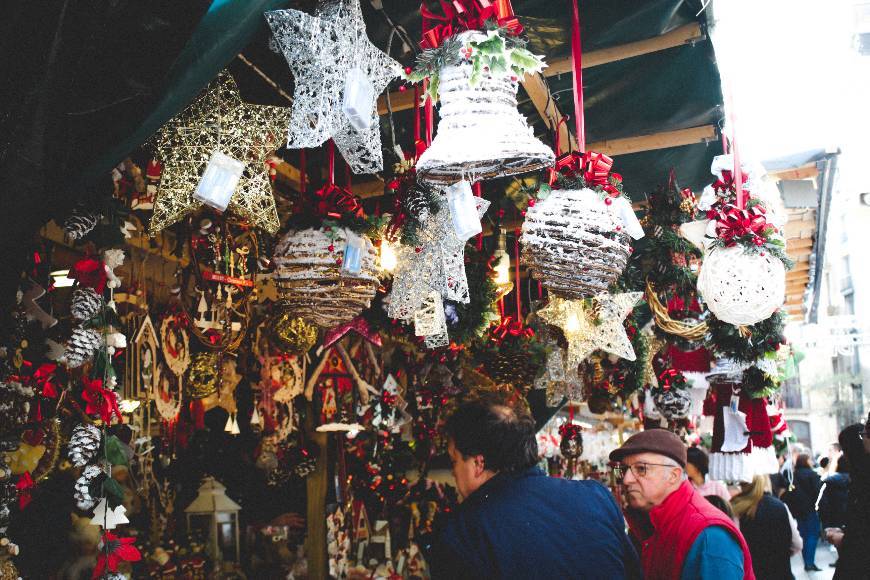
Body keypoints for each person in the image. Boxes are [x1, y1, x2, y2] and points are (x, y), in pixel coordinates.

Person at [431, 397, 640, 579]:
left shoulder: (463, 532)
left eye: (454, 461)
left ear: (478, 464)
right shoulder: (596, 496)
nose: (454, 473)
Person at [609, 429, 754, 579]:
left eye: (641, 469)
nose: (626, 479)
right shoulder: (651, 524)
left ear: (673, 475)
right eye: (624, 470)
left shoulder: (708, 536)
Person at [731, 475, 801, 580]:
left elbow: (734, 550)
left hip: (751, 574)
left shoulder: (735, 509)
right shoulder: (780, 506)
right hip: (781, 573)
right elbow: (797, 544)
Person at [827, 416, 870, 579]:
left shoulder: (863, 481)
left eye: (865, 433)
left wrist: (841, 539)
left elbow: (862, 541)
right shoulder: (859, 479)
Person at [784, 453, 823, 571]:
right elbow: (818, 492)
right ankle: (809, 562)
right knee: (812, 535)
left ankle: (807, 561)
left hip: (799, 511)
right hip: (811, 509)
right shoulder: (812, 474)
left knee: (804, 535)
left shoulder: (793, 475)